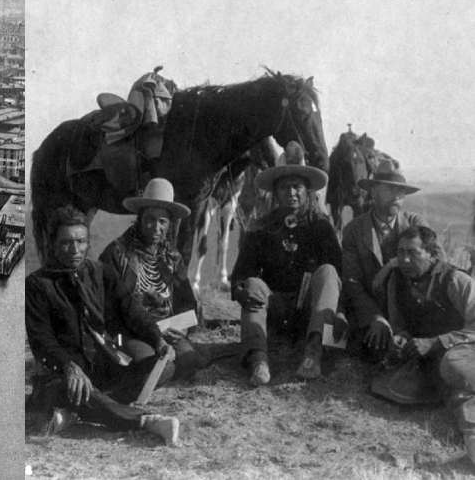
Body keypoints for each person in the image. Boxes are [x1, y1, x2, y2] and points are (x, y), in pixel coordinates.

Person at [26, 205, 180, 445]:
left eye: (81, 241)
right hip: (59, 376)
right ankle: (146, 421)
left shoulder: (100, 272)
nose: (75, 250)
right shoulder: (37, 285)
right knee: (73, 389)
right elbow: (40, 339)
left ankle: (81, 410)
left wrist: (156, 338)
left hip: (101, 370)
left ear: (88, 242)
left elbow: (131, 309)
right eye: (67, 242)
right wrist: (68, 366)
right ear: (52, 243)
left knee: (165, 366)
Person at [229, 141, 342, 386]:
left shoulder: (321, 227)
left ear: (307, 191)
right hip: (275, 308)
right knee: (253, 283)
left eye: (297, 187)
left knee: (329, 272)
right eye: (285, 188)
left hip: (311, 312)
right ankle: (258, 359)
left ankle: (313, 353)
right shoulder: (262, 228)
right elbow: (241, 274)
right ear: (275, 192)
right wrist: (241, 290)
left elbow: (337, 277)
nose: (291, 193)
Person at [375, 225, 475, 466]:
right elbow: (399, 324)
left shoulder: (455, 280)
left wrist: (436, 341)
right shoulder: (396, 281)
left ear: (432, 254)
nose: (404, 260)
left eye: (413, 253)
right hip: (433, 360)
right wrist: (400, 338)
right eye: (400, 252)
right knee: (407, 388)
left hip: (465, 349)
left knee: (455, 367)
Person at [98, 178, 207, 380]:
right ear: (139, 219)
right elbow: (109, 308)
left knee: (189, 361)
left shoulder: (172, 257)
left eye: (162, 221)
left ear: (169, 225)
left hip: (167, 331)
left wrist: (182, 328)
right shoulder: (116, 253)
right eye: (150, 218)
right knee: (153, 365)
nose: (155, 227)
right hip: (126, 332)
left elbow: (187, 303)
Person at [336, 160, 425, 358]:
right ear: (374, 191)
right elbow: (352, 281)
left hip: (409, 312)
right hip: (369, 311)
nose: (397, 196)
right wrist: (374, 316)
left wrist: (392, 264)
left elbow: (434, 262)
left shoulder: (415, 224)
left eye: (401, 191)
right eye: (390, 189)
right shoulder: (354, 230)